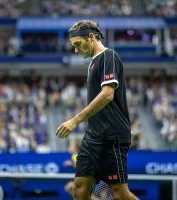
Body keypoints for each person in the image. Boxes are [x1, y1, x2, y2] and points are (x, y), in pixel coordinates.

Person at [56, 20, 138, 200]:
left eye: (78, 44)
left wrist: (75, 120)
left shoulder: (109, 56)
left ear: (91, 38)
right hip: (92, 138)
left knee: (119, 193)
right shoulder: (92, 63)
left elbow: (108, 94)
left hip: (112, 136)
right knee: (79, 188)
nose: (76, 50)